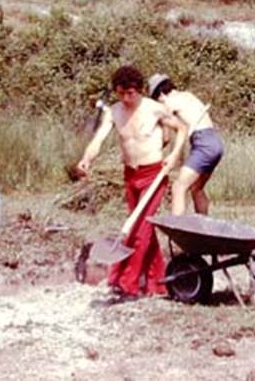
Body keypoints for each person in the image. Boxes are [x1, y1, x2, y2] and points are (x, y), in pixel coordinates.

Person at [75, 65, 187, 298]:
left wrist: (174, 156)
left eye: (131, 93)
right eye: (121, 93)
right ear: (116, 91)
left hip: (154, 175)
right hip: (130, 175)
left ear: (139, 90)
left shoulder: (154, 109)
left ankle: (127, 283)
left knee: (140, 230)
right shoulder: (114, 112)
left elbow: (182, 129)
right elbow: (99, 139)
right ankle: (158, 282)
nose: (127, 98)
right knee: (141, 228)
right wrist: (86, 159)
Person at [147, 74, 225, 216]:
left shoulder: (168, 103)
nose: (158, 101)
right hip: (215, 142)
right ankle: (203, 231)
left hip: (203, 144)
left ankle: (176, 234)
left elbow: (165, 138)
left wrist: (153, 152)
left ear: (160, 94)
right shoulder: (187, 95)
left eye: (156, 98)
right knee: (196, 188)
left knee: (178, 187)